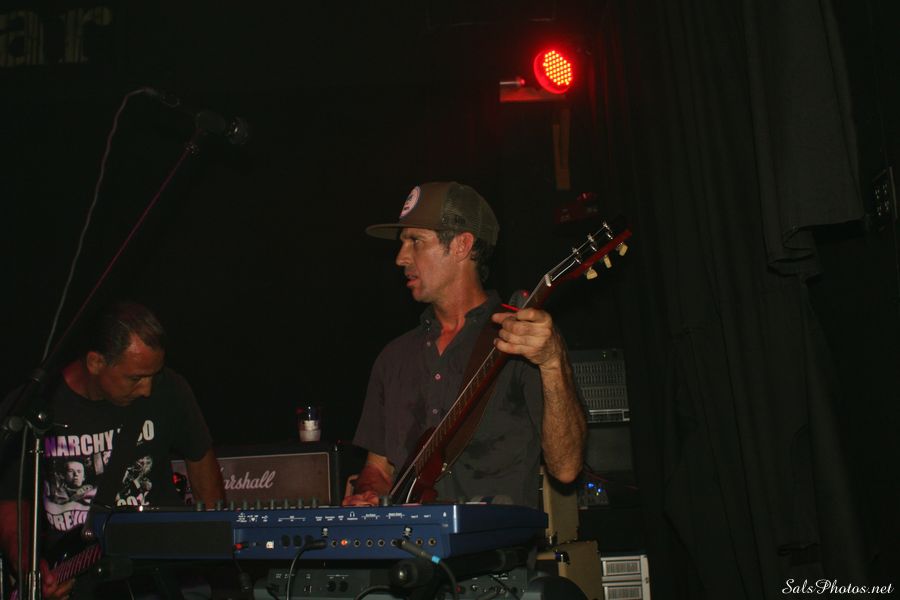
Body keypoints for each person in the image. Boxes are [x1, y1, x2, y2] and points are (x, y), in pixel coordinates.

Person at [344, 182, 587, 508]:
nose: (401, 258)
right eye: (402, 243)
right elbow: (377, 469)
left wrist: (554, 362)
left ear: (462, 245)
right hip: (409, 541)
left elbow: (567, 468)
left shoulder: (521, 339)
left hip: (496, 541)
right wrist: (368, 492)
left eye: (415, 241)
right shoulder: (393, 357)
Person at [0, 302, 226, 599]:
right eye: (135, 378)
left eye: (153, 374)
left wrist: (216, 547)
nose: (147, 389)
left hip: (156, 577)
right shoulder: (34, 406)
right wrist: (30, 570)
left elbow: (204, 475)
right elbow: (11, 500)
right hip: (74, 578)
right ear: (95, 362)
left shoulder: (169, 390)